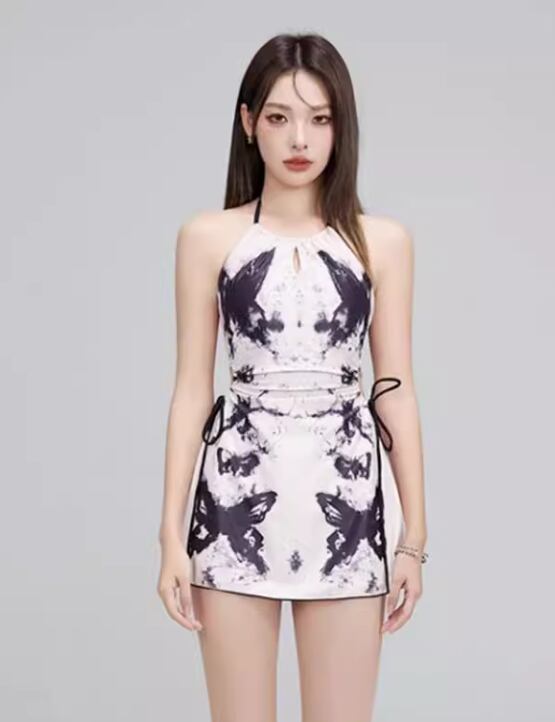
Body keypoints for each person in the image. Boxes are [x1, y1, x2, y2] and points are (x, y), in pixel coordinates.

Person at [158, 32, 428, 722]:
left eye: (320, 118)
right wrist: (169, 539)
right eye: (279, 117)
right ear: (249, 123)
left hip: (347, 500)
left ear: (342, 126)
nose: (299, 139)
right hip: (235, 499)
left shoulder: (381, 243)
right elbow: (192, 390)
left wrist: (413, 541)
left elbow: (394, 389)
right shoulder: (208, 238)